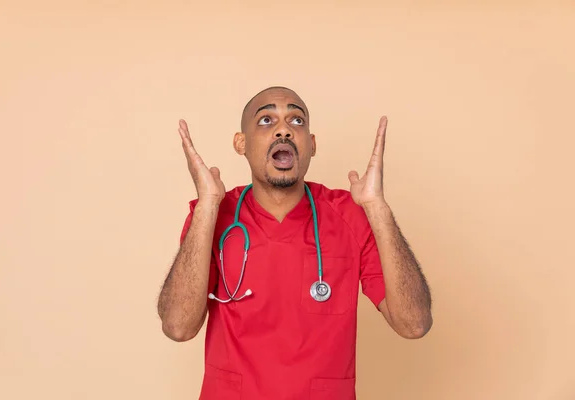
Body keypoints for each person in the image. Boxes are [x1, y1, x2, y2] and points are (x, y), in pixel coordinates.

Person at [157, 86, 433, 399]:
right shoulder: (212, 217)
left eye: (296, 121)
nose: (284, 130)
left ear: (312, 145)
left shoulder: (351, 216)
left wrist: (377, 208)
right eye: (266, 120)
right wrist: (207, 204)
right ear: (241, 143)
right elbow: (178, 327)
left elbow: (414, 324)